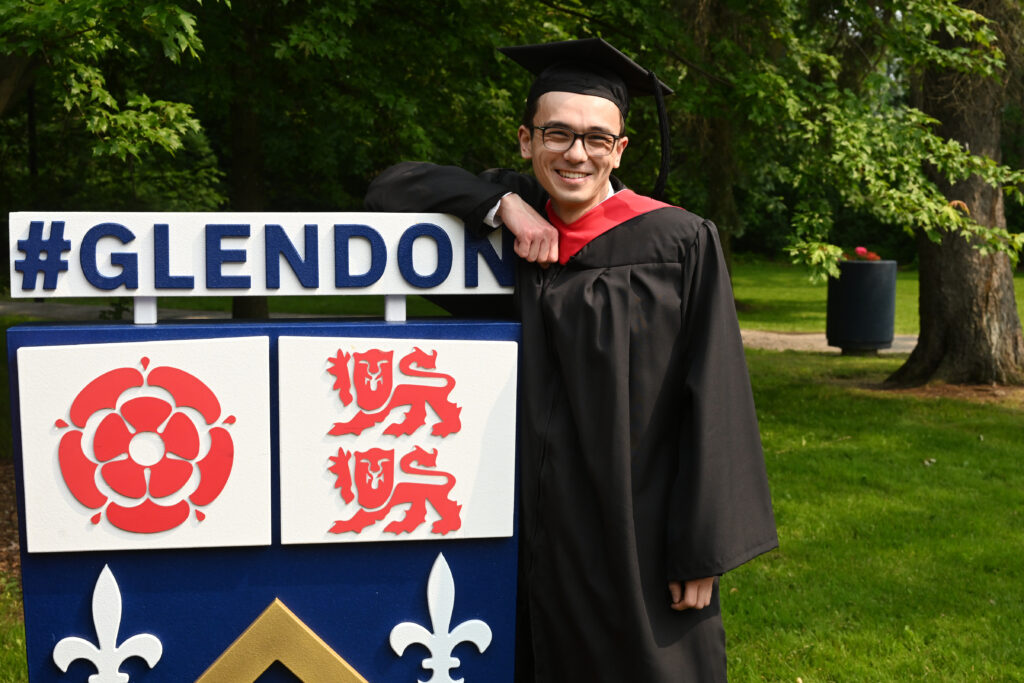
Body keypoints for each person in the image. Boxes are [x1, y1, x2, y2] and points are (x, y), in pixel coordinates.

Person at [365, 38, 777, 682]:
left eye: (596, 138)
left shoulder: (679, 241)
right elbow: (391, 189)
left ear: (620, 150)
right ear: (526, 141)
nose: (576, 153)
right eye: (557, 134)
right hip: (527, 516)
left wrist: (703, 546)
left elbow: (717, 392)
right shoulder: (510, 225)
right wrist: (499, 204)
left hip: (637, 517)